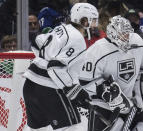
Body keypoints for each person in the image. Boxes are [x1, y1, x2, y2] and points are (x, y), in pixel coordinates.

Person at [23, 3, 98, 131]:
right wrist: (74, 91)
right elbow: (55, 67)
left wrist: (45, 59)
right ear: (84, 21)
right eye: (94, 20)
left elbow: (37, 42)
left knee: (39, 129)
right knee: (72, 127)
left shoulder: (61, 28)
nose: (95, 25)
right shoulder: (77, 38)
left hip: (30, 86)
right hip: (49, 89)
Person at [79, 15, 143, 131]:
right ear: (112, 33)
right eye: (122, 34)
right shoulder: (97, 50)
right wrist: (104, 90)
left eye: (127, 33)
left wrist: (142, 93)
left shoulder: (138, 42)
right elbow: (84, 81)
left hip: (132, 103)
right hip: (104, 106)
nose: (126, 37)